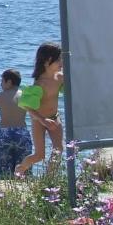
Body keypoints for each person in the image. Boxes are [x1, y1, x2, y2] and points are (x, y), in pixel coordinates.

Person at [14, 42, 65, 178]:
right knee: (39, 155)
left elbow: (68, 90)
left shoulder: (60, 78)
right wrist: (43, 120)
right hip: (39, 120)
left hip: (55, 117)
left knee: (59, 149)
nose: (62, 62)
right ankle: (21, 168)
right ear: (48, 61)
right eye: (59, 59)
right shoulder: (39, 84)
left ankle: (49, 178)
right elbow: (26, 105)